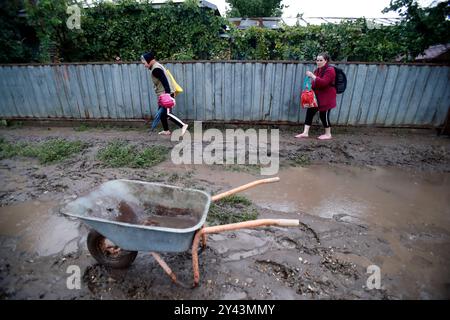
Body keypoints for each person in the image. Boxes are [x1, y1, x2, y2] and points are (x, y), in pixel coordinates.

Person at [141, 51, 188, 136]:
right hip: (163, 95)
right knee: (162, 113)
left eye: (144, 63)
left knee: (167, 113)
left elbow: (165, 82)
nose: (144, 65)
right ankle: (166, 130)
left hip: (166, 94)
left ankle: (183, 125)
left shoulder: (156, 69)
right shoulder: (156, 66)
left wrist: (167, 96)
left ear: (149, 60)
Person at [296, 52, 336, 140]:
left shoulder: (330, 70)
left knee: (323, 115)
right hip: (316, 98)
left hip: (326, 98)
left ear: (326, 60)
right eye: (317, 60)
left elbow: (324, 83)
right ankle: (305, 133)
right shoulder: (317, 70)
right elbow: (315, 83)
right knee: (310, 112)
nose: (318, 62)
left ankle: (328, 134)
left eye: (321, 60)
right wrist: (309, 86)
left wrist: (312, 76)